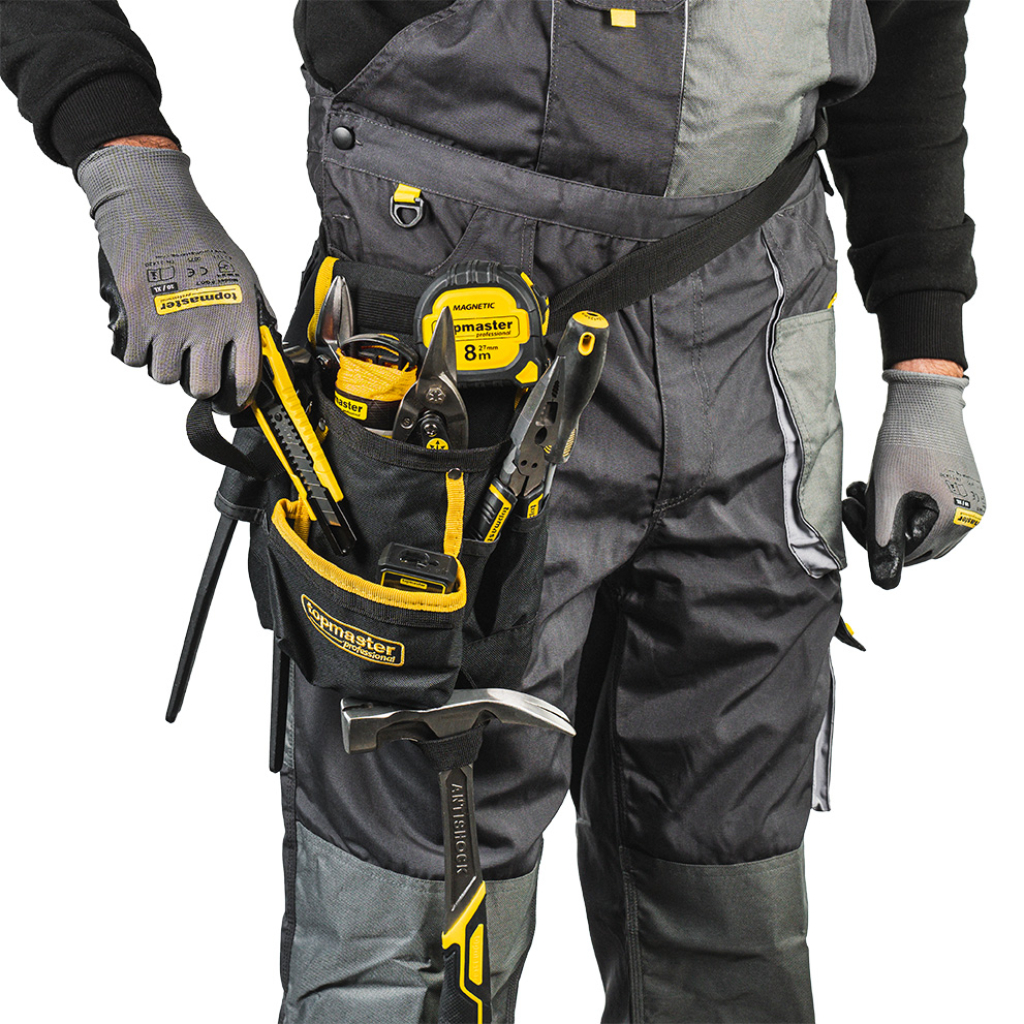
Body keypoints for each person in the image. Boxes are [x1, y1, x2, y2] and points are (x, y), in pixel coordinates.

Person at [0, 2, 985, 1022]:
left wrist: (927, 363)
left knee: (730, 903)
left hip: (756, 357)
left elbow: (906, 26)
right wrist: (130, 167)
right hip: (444, 345)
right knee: (408, 940)